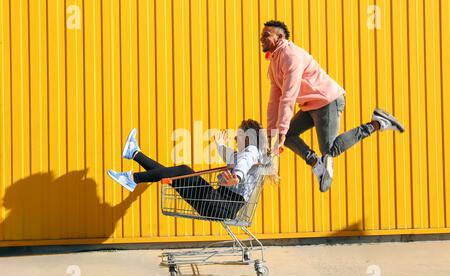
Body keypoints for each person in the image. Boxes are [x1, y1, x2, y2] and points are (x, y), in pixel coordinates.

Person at [261, 20, 405, 192]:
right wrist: (272, 134)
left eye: (266, 35)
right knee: (290, 135)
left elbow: (288, 98)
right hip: (310, 106)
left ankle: (377, 123)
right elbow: (273, 103)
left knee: (330, 149)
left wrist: (280, 132)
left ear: (279, 36)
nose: (261, 38)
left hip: (326, 101)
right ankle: (316, 163)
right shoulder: (274, 65)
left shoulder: (291, 56)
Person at [107, 119, 275, 220]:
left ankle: (133, 177)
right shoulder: (246, 153)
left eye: (238, 134)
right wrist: (220, 144)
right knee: (176, 176)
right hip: (217, 204)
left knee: (183, 170)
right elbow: (231, 157)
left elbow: (242, 164)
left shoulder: (251, 152)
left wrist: (236, 178)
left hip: (222, 205)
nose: (235, 137)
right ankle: (134, 154)